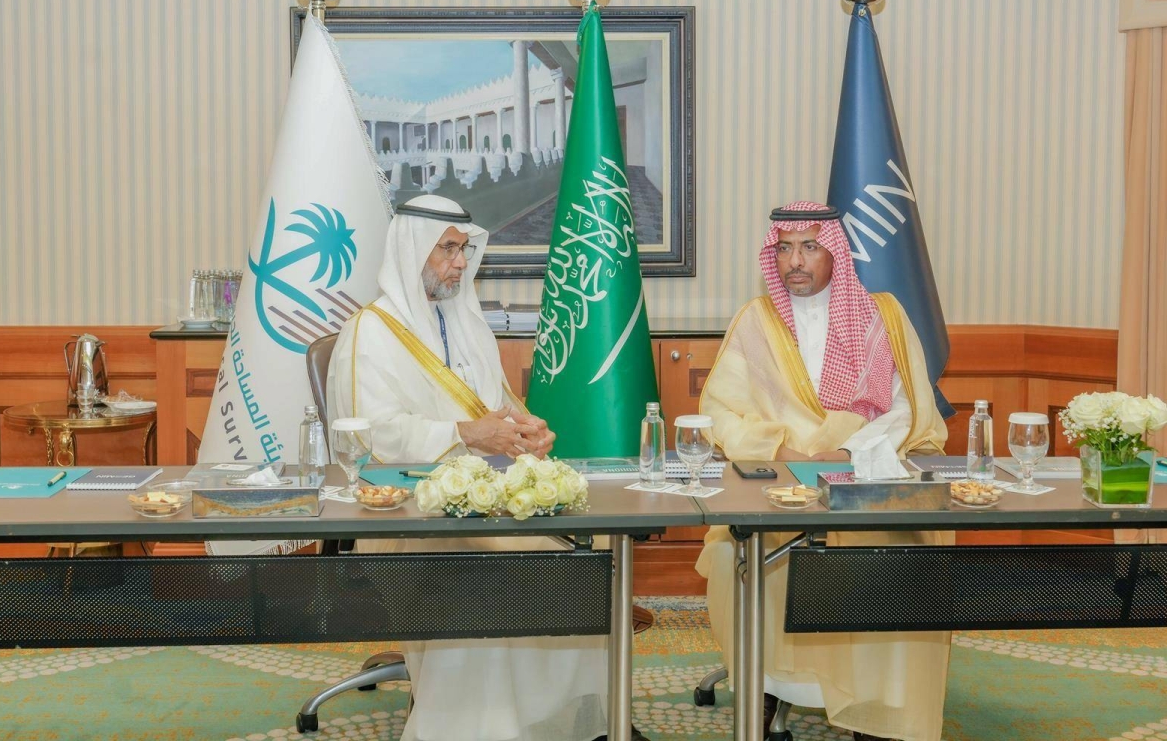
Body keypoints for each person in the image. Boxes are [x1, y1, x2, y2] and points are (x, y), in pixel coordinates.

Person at [328, 194, 646, 741]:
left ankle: (579, 720)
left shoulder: (468, 324)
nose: (460, 262)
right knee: (487, 577)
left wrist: (528, 431)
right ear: (411, 251)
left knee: (582, 563)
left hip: (487, 504)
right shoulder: (369, 334)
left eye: (463, 249)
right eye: (446, 249)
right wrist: (465, 435)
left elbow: (495, 407)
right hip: (408, 517)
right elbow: (369, 438)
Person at [695, 201, 951, 741]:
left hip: (864, 472)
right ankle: (769, 681)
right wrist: (783, 449)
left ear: (835, 251)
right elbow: (721, 411)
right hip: (777, 478)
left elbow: (908, 409)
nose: (795, 261)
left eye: (810, 246)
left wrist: (848, 453)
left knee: (888, 545)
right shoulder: (755, 320)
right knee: (741, 548)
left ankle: (873, 698)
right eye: (785, 248)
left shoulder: (883, 316)